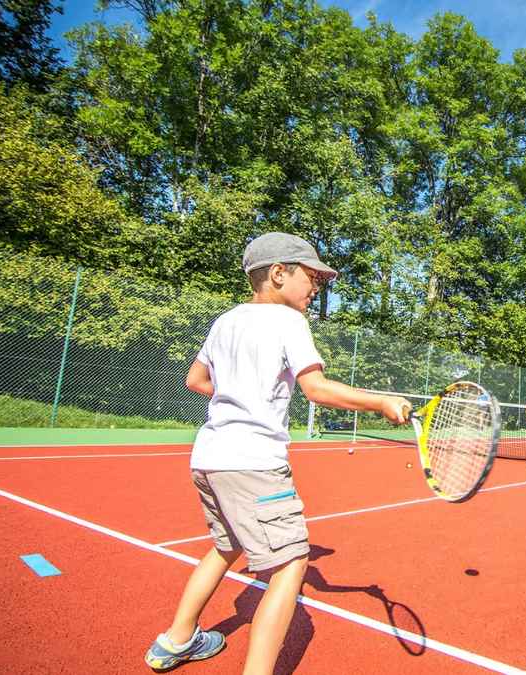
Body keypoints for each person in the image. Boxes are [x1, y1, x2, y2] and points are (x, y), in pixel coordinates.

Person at [144, 232, 409, 674]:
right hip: (253, 462)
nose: (316, 286)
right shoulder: (289, 322)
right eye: (311, 276)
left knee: (226, 545)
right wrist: (380, 401)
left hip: (209, 457)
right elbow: (317, 389)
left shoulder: (225, 321)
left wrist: (239, 395)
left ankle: (177, 640)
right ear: (279, 273)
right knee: (291, 565)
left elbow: (195, 381)